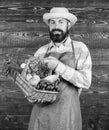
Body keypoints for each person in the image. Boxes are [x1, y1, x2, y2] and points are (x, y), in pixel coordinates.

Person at [26, 7, 92, 130]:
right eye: (53, 22)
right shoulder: (41, 51)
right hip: (41, 116)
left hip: (67, 115)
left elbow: (86, 81)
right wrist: (30, 92)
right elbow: (32, 84)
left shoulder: (80, 49)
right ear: (49, 26)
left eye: (61, 22)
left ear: (69, 25)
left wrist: (59, 66)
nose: (56, 26)